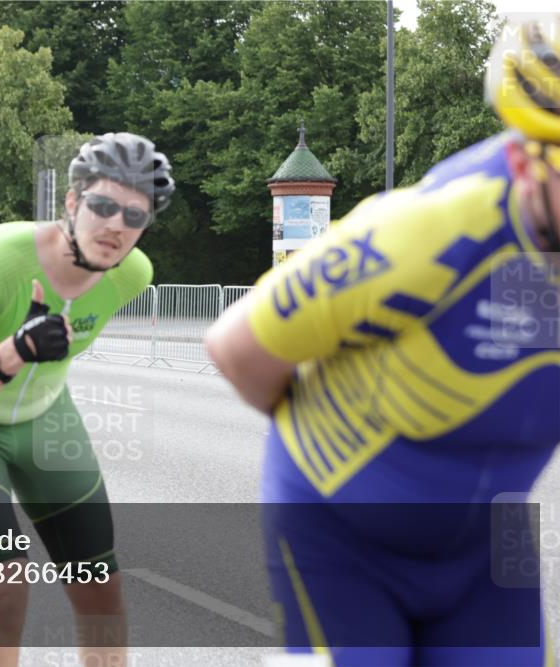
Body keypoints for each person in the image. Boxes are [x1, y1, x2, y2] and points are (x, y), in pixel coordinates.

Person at [206, 15, 560, 667]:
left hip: (490, 545)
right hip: (343, 535)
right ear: (523, 157)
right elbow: (237, 346)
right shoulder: (430, 230)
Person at [0, 133, 173, 666]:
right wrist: (16, 350)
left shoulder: (133, 275)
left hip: (45, 421)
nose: (116, 225)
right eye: (102, 205)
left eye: (134, 216)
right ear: (72, 203)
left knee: (101, 591)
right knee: (3, 589)